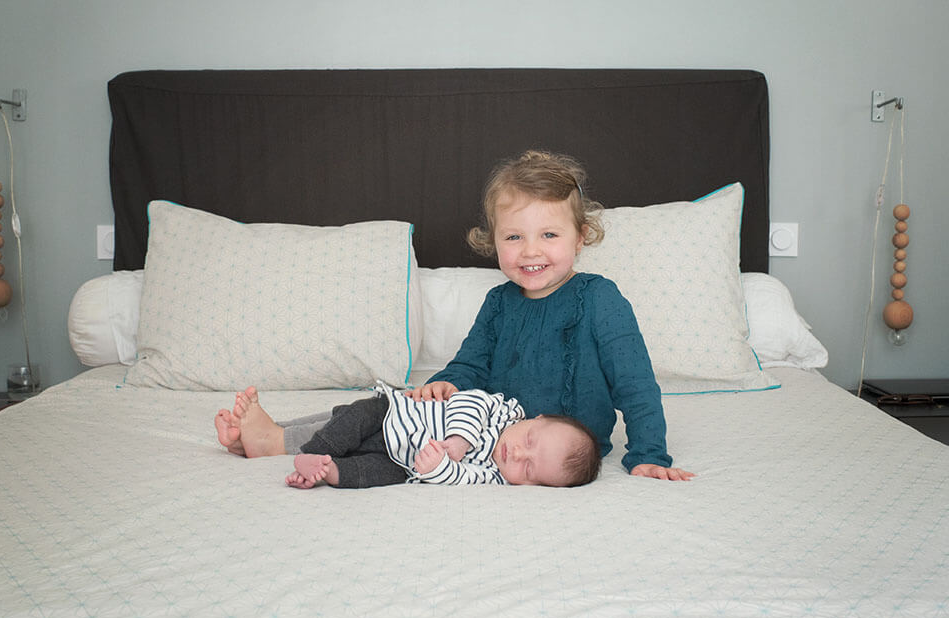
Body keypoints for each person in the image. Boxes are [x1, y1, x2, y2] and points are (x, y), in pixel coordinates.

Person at [409, 150, 694, 481]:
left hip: (576, 456)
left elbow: (635, 384)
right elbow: (471, 365)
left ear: (580, 238)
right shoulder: (498, 302)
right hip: (497, 448)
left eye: (549, 235)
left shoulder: (600, 298)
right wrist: (446, 383)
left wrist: (648, 454)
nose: (531, 251)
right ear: (495, 241)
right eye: (514, 237)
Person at [214, 383, 601, 489]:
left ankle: (325, 470)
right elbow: (470, 402)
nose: (517, 455)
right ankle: (275, 442)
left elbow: (462, 478)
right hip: (390, 418)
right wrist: (460, 442)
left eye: (530, 471)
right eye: (529, 441)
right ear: (534, 418)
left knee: (372, 476)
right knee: (348, 420)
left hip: (400, 461)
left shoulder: (495, 475)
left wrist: (437, 469)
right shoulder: (502, 410)